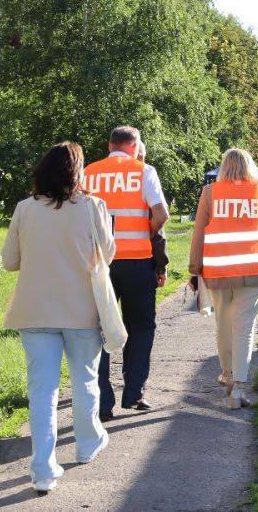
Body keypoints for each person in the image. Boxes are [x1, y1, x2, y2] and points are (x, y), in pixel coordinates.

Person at [2, 142, 115, 494]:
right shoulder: (94, 206)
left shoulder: (24, 208)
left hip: (34, 311)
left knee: (42, 391)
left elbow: (9, 261)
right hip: (82, 310)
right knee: (84, 380)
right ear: (77, 173)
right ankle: (87, 444)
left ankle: (43, 470)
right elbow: (108, 254)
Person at [84, 126, 169, 421]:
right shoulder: (143, 171)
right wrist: (148, 233)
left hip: (99, 264)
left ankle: (102, 402)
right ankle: (134, 393)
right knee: (142, 327)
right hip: (137, 260)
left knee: (100, 329)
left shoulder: (90, 172)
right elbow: (161, 214)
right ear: (135, 147)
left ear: (110, 145)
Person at [189, 148, 258, 408]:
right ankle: (238, 389)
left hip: (217, 272)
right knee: (244, 329)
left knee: (223, 325)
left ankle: (227, 376)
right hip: (251, 271)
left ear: (224, 167)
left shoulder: (210, 193)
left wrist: (195, 268)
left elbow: (199, 231)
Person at [137, 141, 169, 284]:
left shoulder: (97, 175)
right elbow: (158, 232)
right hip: (140, 260)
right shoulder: (145, 175)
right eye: (142, 156)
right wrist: (161, 266)